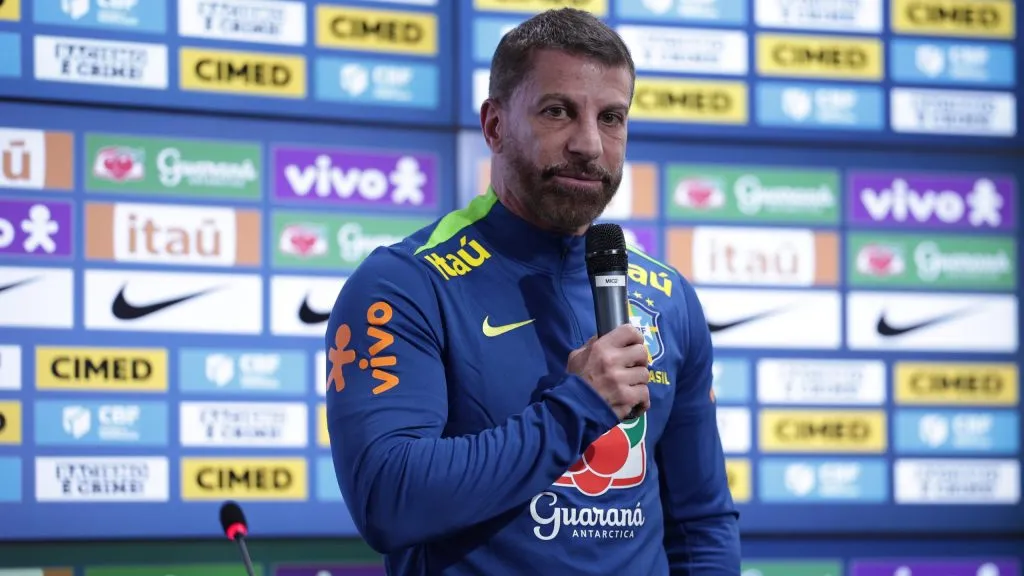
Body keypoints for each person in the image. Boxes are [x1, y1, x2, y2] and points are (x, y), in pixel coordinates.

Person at [325, 7, 741, 575]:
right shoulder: (404, 285)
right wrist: (581, 405)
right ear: (495, 126)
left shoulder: (669, 298)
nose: (589, 144)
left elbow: (702, 523)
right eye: (558, 111)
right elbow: (389, 500)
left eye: (612, 117)